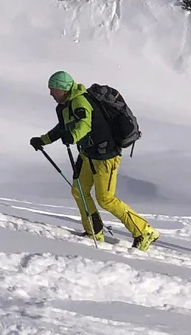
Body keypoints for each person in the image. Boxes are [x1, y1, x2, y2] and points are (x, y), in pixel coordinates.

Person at [31, 70, 158, 249]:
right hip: (88, 154)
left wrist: (73, 136)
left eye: (53, 89)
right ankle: (94, 232)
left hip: (106, 157)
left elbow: (84, 124)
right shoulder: (67, 104)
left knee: (106, 199)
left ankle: (145, 231)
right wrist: (43, 140)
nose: (51, 93)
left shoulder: (80, 101)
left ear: (63, 89)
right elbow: (62, 128)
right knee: (79, 191)